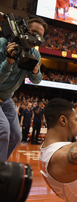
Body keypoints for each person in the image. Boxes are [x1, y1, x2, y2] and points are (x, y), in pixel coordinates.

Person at [0, 16, 47, 161]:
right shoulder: (3, 44)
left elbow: (36, 80)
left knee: (16, 135)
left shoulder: (35, 54)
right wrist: (9, 62)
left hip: (6, 98)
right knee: (3, 131)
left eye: (40, 35)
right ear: (24, 29)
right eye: (34, 32)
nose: (36, 37)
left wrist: (35, 72)